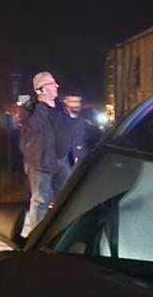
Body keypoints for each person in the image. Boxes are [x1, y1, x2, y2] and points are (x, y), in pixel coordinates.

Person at [19, 70, 59, 230]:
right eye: (52, 83)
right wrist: (43, 104)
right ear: (40, 89)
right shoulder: (31, 108)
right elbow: (34, 126)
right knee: (41, 200)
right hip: (39, 161)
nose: (57, 85)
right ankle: (37, 237)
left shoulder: (60, 108)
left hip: (59, 160)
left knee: (64, 200)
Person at [53, 93, 101, 193]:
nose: (76, 104)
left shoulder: (86, 123)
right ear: (65, 102)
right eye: (72, 101)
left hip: (81, 162)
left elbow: (94, 140)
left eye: (78, 101)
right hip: (63, 163)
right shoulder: (59, 122)